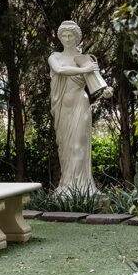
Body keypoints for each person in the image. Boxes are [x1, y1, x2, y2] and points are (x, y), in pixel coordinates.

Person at [48, 21, 99, 193]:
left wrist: (106, 90)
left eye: (71, 35)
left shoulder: (84, 60)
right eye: (64, 35)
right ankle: (67, 186)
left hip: (80, 103)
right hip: (62, 107)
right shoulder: (55, 57)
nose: (67, 39)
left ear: (77, 38)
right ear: (59, 37)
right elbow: (60, 70)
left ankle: (82, 188)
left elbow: (96, 83)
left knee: (79, 145)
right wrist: (85, 70)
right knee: (65, 148)